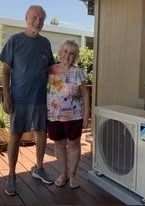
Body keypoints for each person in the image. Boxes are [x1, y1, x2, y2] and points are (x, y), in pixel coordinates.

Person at [0, 5, 55, 196]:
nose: (38, 21)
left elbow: (52, 70)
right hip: (19, 99)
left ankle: (39, 168)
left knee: (41, 133)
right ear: (26, 18)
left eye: (41, 18)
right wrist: (6, 95)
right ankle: (12, 176)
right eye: (34, 17)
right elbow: (5, 70)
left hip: (40, 98)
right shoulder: (15, 41)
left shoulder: (46, 43)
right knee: (15, 135)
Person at [47, 40, 89, 188]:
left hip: (74, 116)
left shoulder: (78, 72)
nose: (67, 55)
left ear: (75, 56)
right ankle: (63, 174)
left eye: (72, 53)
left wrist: (86, 114)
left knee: (74, 145)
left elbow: (84, 94)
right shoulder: (52, 70)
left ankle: (72, 175)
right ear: (60, 52)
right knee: (59, 145)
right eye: (65, 51)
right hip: (54, 116)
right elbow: (54, 90)